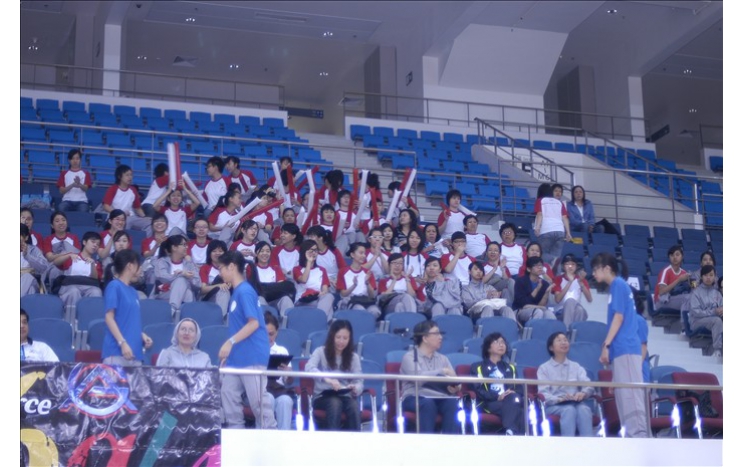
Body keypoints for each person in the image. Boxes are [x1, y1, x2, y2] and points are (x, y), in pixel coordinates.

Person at [218, 251, 277, 429]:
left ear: (231, 267)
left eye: (221, 268)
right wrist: (231, 351)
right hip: (238, 356)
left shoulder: (244, 291)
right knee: (228, 394)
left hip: (252, 354)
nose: (220, 273)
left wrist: (230, 342)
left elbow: (254, 323)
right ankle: (237, 434)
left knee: (258, 403)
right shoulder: (238, 292)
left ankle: (271, 435)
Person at [592, 252, 648, 438]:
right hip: (621, 350)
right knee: (624, 396)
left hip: (626, 348)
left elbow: (619, 317)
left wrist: (606, 345)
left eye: (595, 269)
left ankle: (638, 436)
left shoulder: (618, 284)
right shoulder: (617, 286)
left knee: (631, 396)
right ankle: (631, 436)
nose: (593, 273)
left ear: (607, 268)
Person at [400, 320, 460, 434]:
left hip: (440, 396)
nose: (440, 337)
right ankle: (426, 442)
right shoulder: (410, 357)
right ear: (425, 338)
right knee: (428, 404)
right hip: (415, 397)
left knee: (453, 404)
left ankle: (451, 442)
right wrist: (441, 371)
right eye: (436, 333)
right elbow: (419, 379)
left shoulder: (443, 358)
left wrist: (456, 387)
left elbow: (456, 381)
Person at [305, 320, 363, 431]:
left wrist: (355, 388)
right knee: (335, 403)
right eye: (338, 337)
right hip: (322, 396)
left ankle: (355, 439)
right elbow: (309, 368)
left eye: (345, 338)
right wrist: (327, 379)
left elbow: (359, 381)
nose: (341, 341)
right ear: (332, 336)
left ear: (350, 339)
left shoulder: (354, 357)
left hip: (345, 396)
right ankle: (332, 438)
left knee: (354, 406)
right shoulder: (320, 351)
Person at [537, 331, 595, 437]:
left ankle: (589, 444)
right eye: (559, 340)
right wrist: (560, 399)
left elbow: (589, 385)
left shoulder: (576, 366)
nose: (563, 343)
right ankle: (568, 444)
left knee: (584, 410)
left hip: (575, 403)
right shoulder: (544, 368)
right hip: (554, 405)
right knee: (569, 410)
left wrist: (583, 393)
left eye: (565, 340)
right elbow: (543, 393)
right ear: (551, 348)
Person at [102, 249, 153, 366]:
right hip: (117, 352)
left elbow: (129, 320)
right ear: (130, 266)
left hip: (135, 354)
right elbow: (109, 317)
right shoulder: (114, 286)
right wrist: (122, 343)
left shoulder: (133, 292)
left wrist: (142, 335)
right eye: (138, 265)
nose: (141, 270)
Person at [470, 332, 523, 435]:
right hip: (488, 403)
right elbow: (478, 389)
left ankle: (510, 432)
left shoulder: (511, 368)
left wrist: (511, 393)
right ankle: (512, 433)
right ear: (488, 348)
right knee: (519, 411)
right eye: (496, 342)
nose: (501, 344)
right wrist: (498, 396)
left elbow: (519, 388)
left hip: (510, 400)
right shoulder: (477, 367)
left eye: (503, 342)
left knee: (515, 400)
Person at [53, 231, 103, 317]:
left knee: (96, 292)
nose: (95, 245)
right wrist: (68, 256)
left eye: (98, 244)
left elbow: (95, 278)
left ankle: (90, 319)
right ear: (84, 242)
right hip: (70, 286)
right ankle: (71, 319)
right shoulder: (72, 257)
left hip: (89, 287)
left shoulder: (95, 263)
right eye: (93, 242)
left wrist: (92, 265)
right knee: (74, 291)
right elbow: (56, 262)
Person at [151, 235, 201, 318]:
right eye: (183, 245)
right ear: (174, 247)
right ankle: (188, 317)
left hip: (182, 296)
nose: (186, 247)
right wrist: (181, 274)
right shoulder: (162, 261)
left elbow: (198, 284)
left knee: (188, 292)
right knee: (181, 280)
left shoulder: (189, 264)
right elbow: (162, 277)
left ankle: (172, 311)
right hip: (164, 294)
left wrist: (189, 277)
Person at [264, 312, 295, 431]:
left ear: (277, 332)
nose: (268, 338)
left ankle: (284, 437)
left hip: (279, 390)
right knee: (269, 398)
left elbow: (288, 381)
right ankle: (265, 436)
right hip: (261, 389)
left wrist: (288, 373)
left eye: (271, 334)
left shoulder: (282, 350)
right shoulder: (254, 349)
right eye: (265, 334)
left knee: (286, 401)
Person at [292, 240, 334, 321]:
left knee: (329, 296)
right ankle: (321, 321)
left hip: (317, 298)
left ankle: (319, 320)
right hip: (303, 300)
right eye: (311, 251)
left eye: (316, 250)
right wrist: (309, 262)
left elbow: (325, 290)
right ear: (304, 252)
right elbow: (304, 280)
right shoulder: (297, 269)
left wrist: (321, 293)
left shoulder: (322, 270)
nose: (314, 253)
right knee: (329, 309)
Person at [102, 164, 151, 233]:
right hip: (116, 218)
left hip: (131, 217)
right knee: (125, 221)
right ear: (119, 176)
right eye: (127, 175)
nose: (130, 177)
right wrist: (120, 214)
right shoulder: (113, 189)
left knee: (150, 223)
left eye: (131, 175)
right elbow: (106, 206)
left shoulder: (133, 190)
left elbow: (137, 208)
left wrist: (144, 217)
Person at [687, 264, 723, 359]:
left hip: (712, 321)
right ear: (701, 277)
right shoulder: (695, 292)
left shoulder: (717, 294)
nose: (708, 277)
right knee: (717, 321)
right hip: (697, 321)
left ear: (715, 277)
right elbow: (696, 312)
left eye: (711, 275)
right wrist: (714, 312)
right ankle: (717, 350)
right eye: (706, 275)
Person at [533, 183, 572, 268]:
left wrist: (537, 227)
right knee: (556, 260)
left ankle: (552, 260)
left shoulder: (540, 200)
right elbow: (565, 218)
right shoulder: (559, 202)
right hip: (560, 231)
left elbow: (540, 214)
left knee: (541, 254)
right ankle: (555, 271)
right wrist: (568, 232)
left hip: (546, 230)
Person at [253, 242, 295, 317]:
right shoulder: (252, 268)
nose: (265, 253)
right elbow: (255, 288)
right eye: (262, 251)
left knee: (286, 299)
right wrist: (272, 287)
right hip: (259, 300)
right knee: (260, 298)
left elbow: (281, 288)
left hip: (275, 300)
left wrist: (264, 288)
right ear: (256, 254)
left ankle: (286, 322)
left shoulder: (276, 268)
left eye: (267, 251)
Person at [513, 256, 556, 323]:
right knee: (538, 312)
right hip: (520, 310)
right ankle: (532, 330)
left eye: (541, 265)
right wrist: (537, 289)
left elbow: (541, 305)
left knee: (549, 313)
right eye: (536, 265)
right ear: (528, 269)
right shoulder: (521, 281)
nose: (540, 267)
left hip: (537, 309)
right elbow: (523, 304)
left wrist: (546, 293)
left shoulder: (544, 284)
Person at [553, 254, 591, 326]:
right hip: (561, 311)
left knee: (580, 310)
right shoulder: (558, 279)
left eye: (573, 264)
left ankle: (573, 330)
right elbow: (557, 299)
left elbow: (589, 299)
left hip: (577, 308)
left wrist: (581, 283)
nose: (570, 266)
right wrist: (570, 282)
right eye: (567, 264)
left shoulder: (581, 279)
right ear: (563, 266)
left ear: (576, 266)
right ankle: (568, 329)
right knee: (570, 301)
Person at [653, 245, 691, 313]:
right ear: (669, 258)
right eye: (672, 255)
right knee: (687, 298)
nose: (675, 257)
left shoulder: (684, 272)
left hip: (675, 299)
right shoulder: (666, 271)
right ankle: (684, 319)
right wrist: (678, 280)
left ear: (682, 256)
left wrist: (693, 283)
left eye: (677, 255)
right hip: (661, 301)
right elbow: (661, 292)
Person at [199, 240, 232, 317]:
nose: (217, 253)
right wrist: (219, 285)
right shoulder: (205, 268)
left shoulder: (230, 268)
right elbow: (203, 289)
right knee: (223, 290)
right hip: (209, 298)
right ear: (209, 253)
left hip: (228, 297)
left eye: (220, 251)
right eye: (214, 251)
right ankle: (221, 319)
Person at [21, 224, 49, 297]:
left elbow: (44, 267)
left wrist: (28, 256)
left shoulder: (34, 250)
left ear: (26, 237)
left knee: (28, 277)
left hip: (31, 280)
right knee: (30, 290)